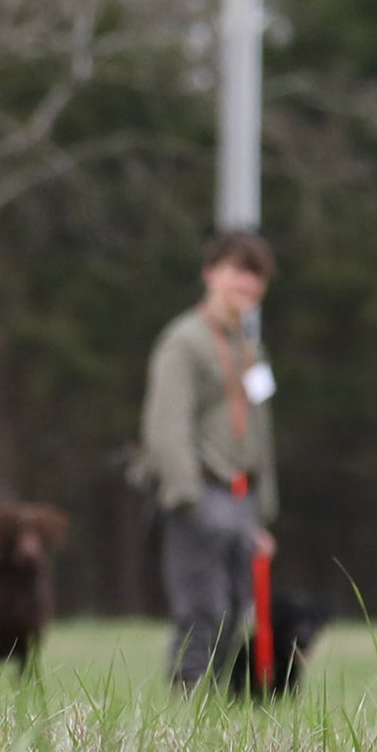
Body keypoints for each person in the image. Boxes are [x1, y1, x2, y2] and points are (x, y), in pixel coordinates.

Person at [141, 231, 280, 688]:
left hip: (240, 499)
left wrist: (261, 512)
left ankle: (208, 710)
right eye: (239, 272)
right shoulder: (184, 342)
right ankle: (185, 711)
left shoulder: (250, 348)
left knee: (237, 613)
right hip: (201, 493)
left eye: (256, 277)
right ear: (211, 274)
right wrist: (186, 496)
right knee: (203, 612)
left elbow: (259, 431)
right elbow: (167, 424)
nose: (249, 285)